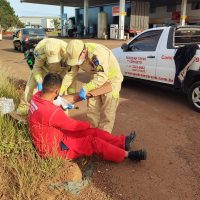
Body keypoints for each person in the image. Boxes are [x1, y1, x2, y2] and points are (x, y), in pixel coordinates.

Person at [28, 73, 147, 163]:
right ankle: (127, 155)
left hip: (55, 136)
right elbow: (73, 126)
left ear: (43, 86)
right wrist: (87, 125)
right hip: (54, 149)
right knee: (92, 140)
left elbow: (53, 112)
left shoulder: (36, 97)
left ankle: (122, 142)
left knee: (92, 131)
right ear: (57, 90)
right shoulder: (51, 112)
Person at [59, 40, 123, 133]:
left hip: (111, 80)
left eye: (77, 60)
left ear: (84, 51)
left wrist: (85, 88)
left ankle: (104, 138)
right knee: (92, 109)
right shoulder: (75, 55)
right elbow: (70, 75)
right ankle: (93, 134)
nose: (76, 63)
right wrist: (60, 93)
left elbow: (102, 77)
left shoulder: (97, 53)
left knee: (108, 112)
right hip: (95, 80)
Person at [16, 38, 75, 115]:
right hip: (43, 69)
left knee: (62, 91)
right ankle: (25, 107)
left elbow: (71, 73)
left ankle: (62, 113)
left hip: (61, 71)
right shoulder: (39, 50)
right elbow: (37, 67)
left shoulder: (67, 51)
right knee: (30, 87)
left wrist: (71, 96)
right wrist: (39, 81)